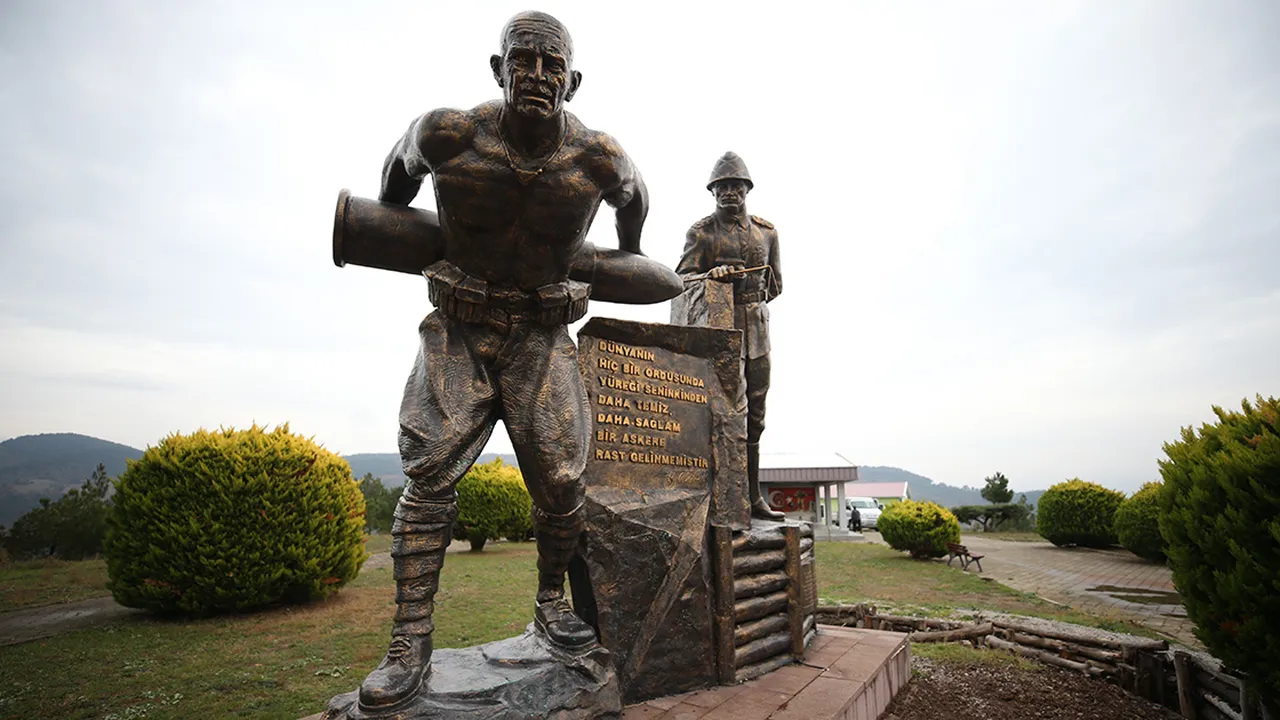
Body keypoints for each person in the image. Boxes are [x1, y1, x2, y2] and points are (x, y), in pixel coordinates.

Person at [358, 11, 650, 711]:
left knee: (561, 484)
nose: (538, 76)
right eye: (524, 60)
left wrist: (588, 273)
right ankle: (410, 642)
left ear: (573, 81)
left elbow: (635, 212)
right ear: (499, 68)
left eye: (553, 66)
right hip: (460, 326)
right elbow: (392, 190)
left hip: (543, 336)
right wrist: (429, 249)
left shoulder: (598, 159)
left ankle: (552, 602)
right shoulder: (447, 135)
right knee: (428, 474)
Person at [676, 152, 785, 522]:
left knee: (756, 416)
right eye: (721, 187)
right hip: (721, 328)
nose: (729, 192)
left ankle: (753, 498)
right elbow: (682, 279)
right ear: (713, 192)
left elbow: (777, 284)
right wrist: (714, 276)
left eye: (736, 186)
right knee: (725, 415)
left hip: (757, 328)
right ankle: (722, 499)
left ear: (746, 189)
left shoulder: (767, 232)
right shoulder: (701, 232)